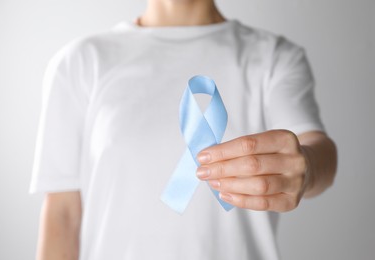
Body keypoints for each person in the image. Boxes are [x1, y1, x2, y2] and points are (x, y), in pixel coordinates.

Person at [30, 0, 337, 259]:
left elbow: (315, 145)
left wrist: (307, 166)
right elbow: (63, 214)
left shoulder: (273, 56)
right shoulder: (81, 61)